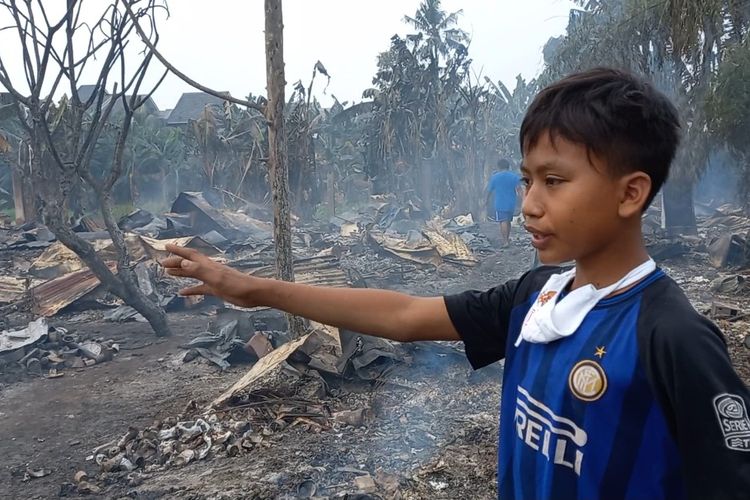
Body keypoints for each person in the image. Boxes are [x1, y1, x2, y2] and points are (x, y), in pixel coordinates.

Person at [162, 68, 750, 500]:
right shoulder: (536, 297)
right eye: (526, 180)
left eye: (554, 180)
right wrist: (253, 288)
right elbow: (404, 316)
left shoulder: (671, 338)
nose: (529, 205)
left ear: (631, 192)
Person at [486, 158, 522, 247]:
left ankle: (505, 241)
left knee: (503, 221)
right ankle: (507, 239)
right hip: (511, 203)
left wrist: (486, 200)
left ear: (498, 167)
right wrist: (523, 201)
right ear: (508, 166)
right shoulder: (514, 176)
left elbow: (489, 191)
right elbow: (519, 190)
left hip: (500, 203)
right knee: (508, 221)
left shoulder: (495, 177)